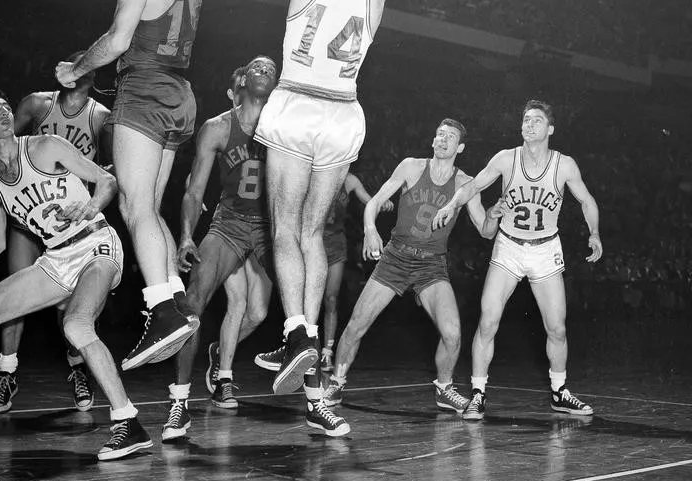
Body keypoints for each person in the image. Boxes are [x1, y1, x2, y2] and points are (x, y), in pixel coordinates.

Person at [55, 0, 264, 370]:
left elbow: (117, 40)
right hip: (180, 97)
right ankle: (173, 302)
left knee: (134, 206)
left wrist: (78, 69)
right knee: (151, 208)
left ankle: (162, 310)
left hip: (145, 88)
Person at [254, 0, 421, 437]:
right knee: (314, 230)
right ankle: (313, 373)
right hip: (343, 111)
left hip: (299, 100)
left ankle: (297, 329)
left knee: (283, 228)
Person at [0, 91, 151, 461]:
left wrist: (90, 207)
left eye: (5, 106)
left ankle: (129, 423)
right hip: (57, 258)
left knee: (77, 325)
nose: (3, 111)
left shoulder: (46, 146)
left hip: (96, 242)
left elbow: (106, 181)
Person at [432, 99, 603, 420]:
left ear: (550, 129)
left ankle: (559, 392)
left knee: (557, 329)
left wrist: (594, 233)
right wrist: (449, 205)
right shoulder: (505, 159)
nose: (529, 125)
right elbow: (473, 185)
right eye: (526, 120)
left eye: (537, 120)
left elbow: (587, 200)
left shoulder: (564, 165)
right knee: (488, 321)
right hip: (508, 247)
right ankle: (478, 393)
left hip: (545, 248)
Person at [322, 119, 498, 412]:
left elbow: (486, 230)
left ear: (460, 147)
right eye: (439, 134)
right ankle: (336, 384)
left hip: (431, 265)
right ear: (432, 140)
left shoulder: (465, 183)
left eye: (450, 137)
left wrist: (495, 212)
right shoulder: (411, 167)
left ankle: (444, 389)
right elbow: (374, 202)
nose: (442, 140)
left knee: (453, 333)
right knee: (356, 325)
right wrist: (369, 229)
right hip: (396, 258)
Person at [162, 57, 277, 441]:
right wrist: (186, 236)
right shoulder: (217, 128)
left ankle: (311, 391)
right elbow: (195, 190)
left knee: (259, 312)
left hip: (267, 228)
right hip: (228, 224)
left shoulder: (283, 128)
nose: (265, 67)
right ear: (240, 82)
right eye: (256, 65)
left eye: (271, 67)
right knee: (194, 302)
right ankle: (181, 402)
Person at [0, 55, 111, 415]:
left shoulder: (100, 117)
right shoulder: (36, 104)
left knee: (73, 306)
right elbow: (2, 148)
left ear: (93, 74)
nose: (76, 70)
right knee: (16, 292)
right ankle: (7, 372)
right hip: (30, 215)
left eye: (86, 64)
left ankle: (77, 369)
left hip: (69, 221)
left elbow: (109, 168)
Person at [253, 171, 392, 374]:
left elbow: (369, 201)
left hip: (335, 243)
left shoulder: (351, 180)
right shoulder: (312, 173)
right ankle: (302, 345)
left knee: (331, 298)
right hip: (310, 240)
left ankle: (327, 351)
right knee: (307, 297)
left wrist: (381, 202)